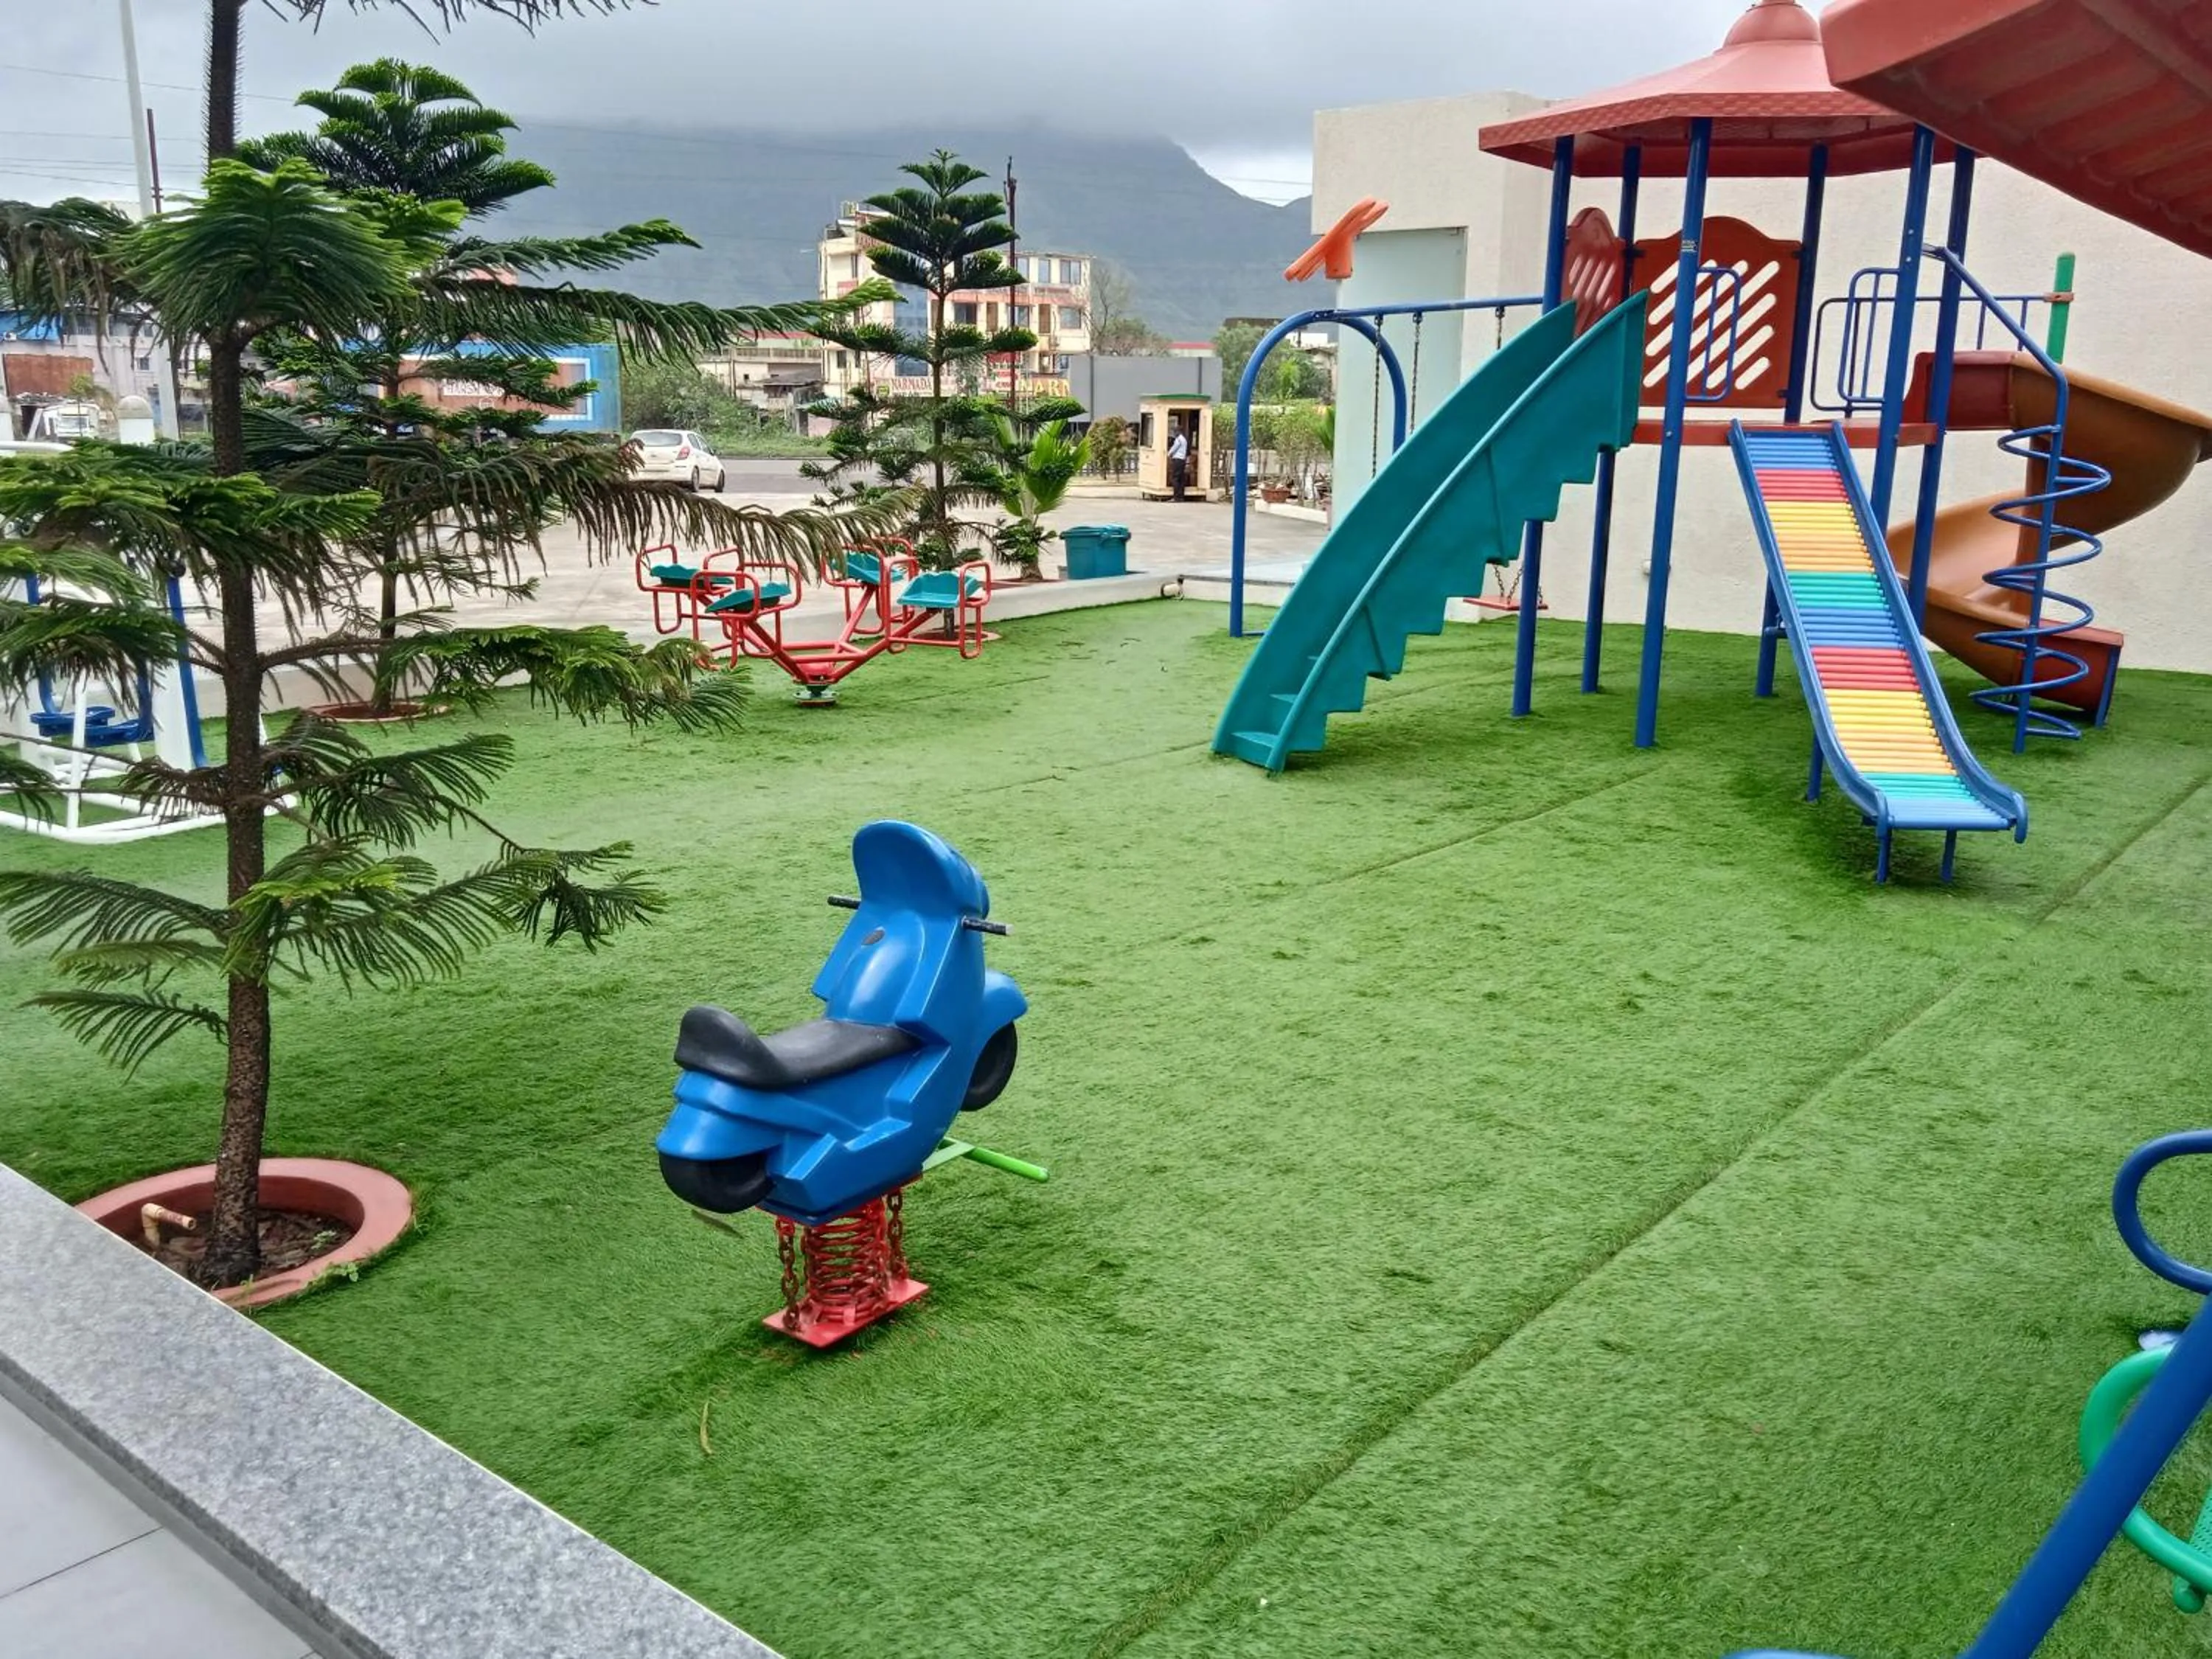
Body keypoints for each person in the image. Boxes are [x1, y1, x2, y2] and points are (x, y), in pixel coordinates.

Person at [1167, 421, 1190, 502]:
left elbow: (1174, 448)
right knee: (1180, 479)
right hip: (1182, 460)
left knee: (1175, 478)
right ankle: (1181, 497)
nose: (1174, 433)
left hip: (1177, 460)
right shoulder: (1184, 439)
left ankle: (1176, 497)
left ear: (1178, 431)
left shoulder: (1179, 440)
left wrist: (1169, 454)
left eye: (1175, 431)